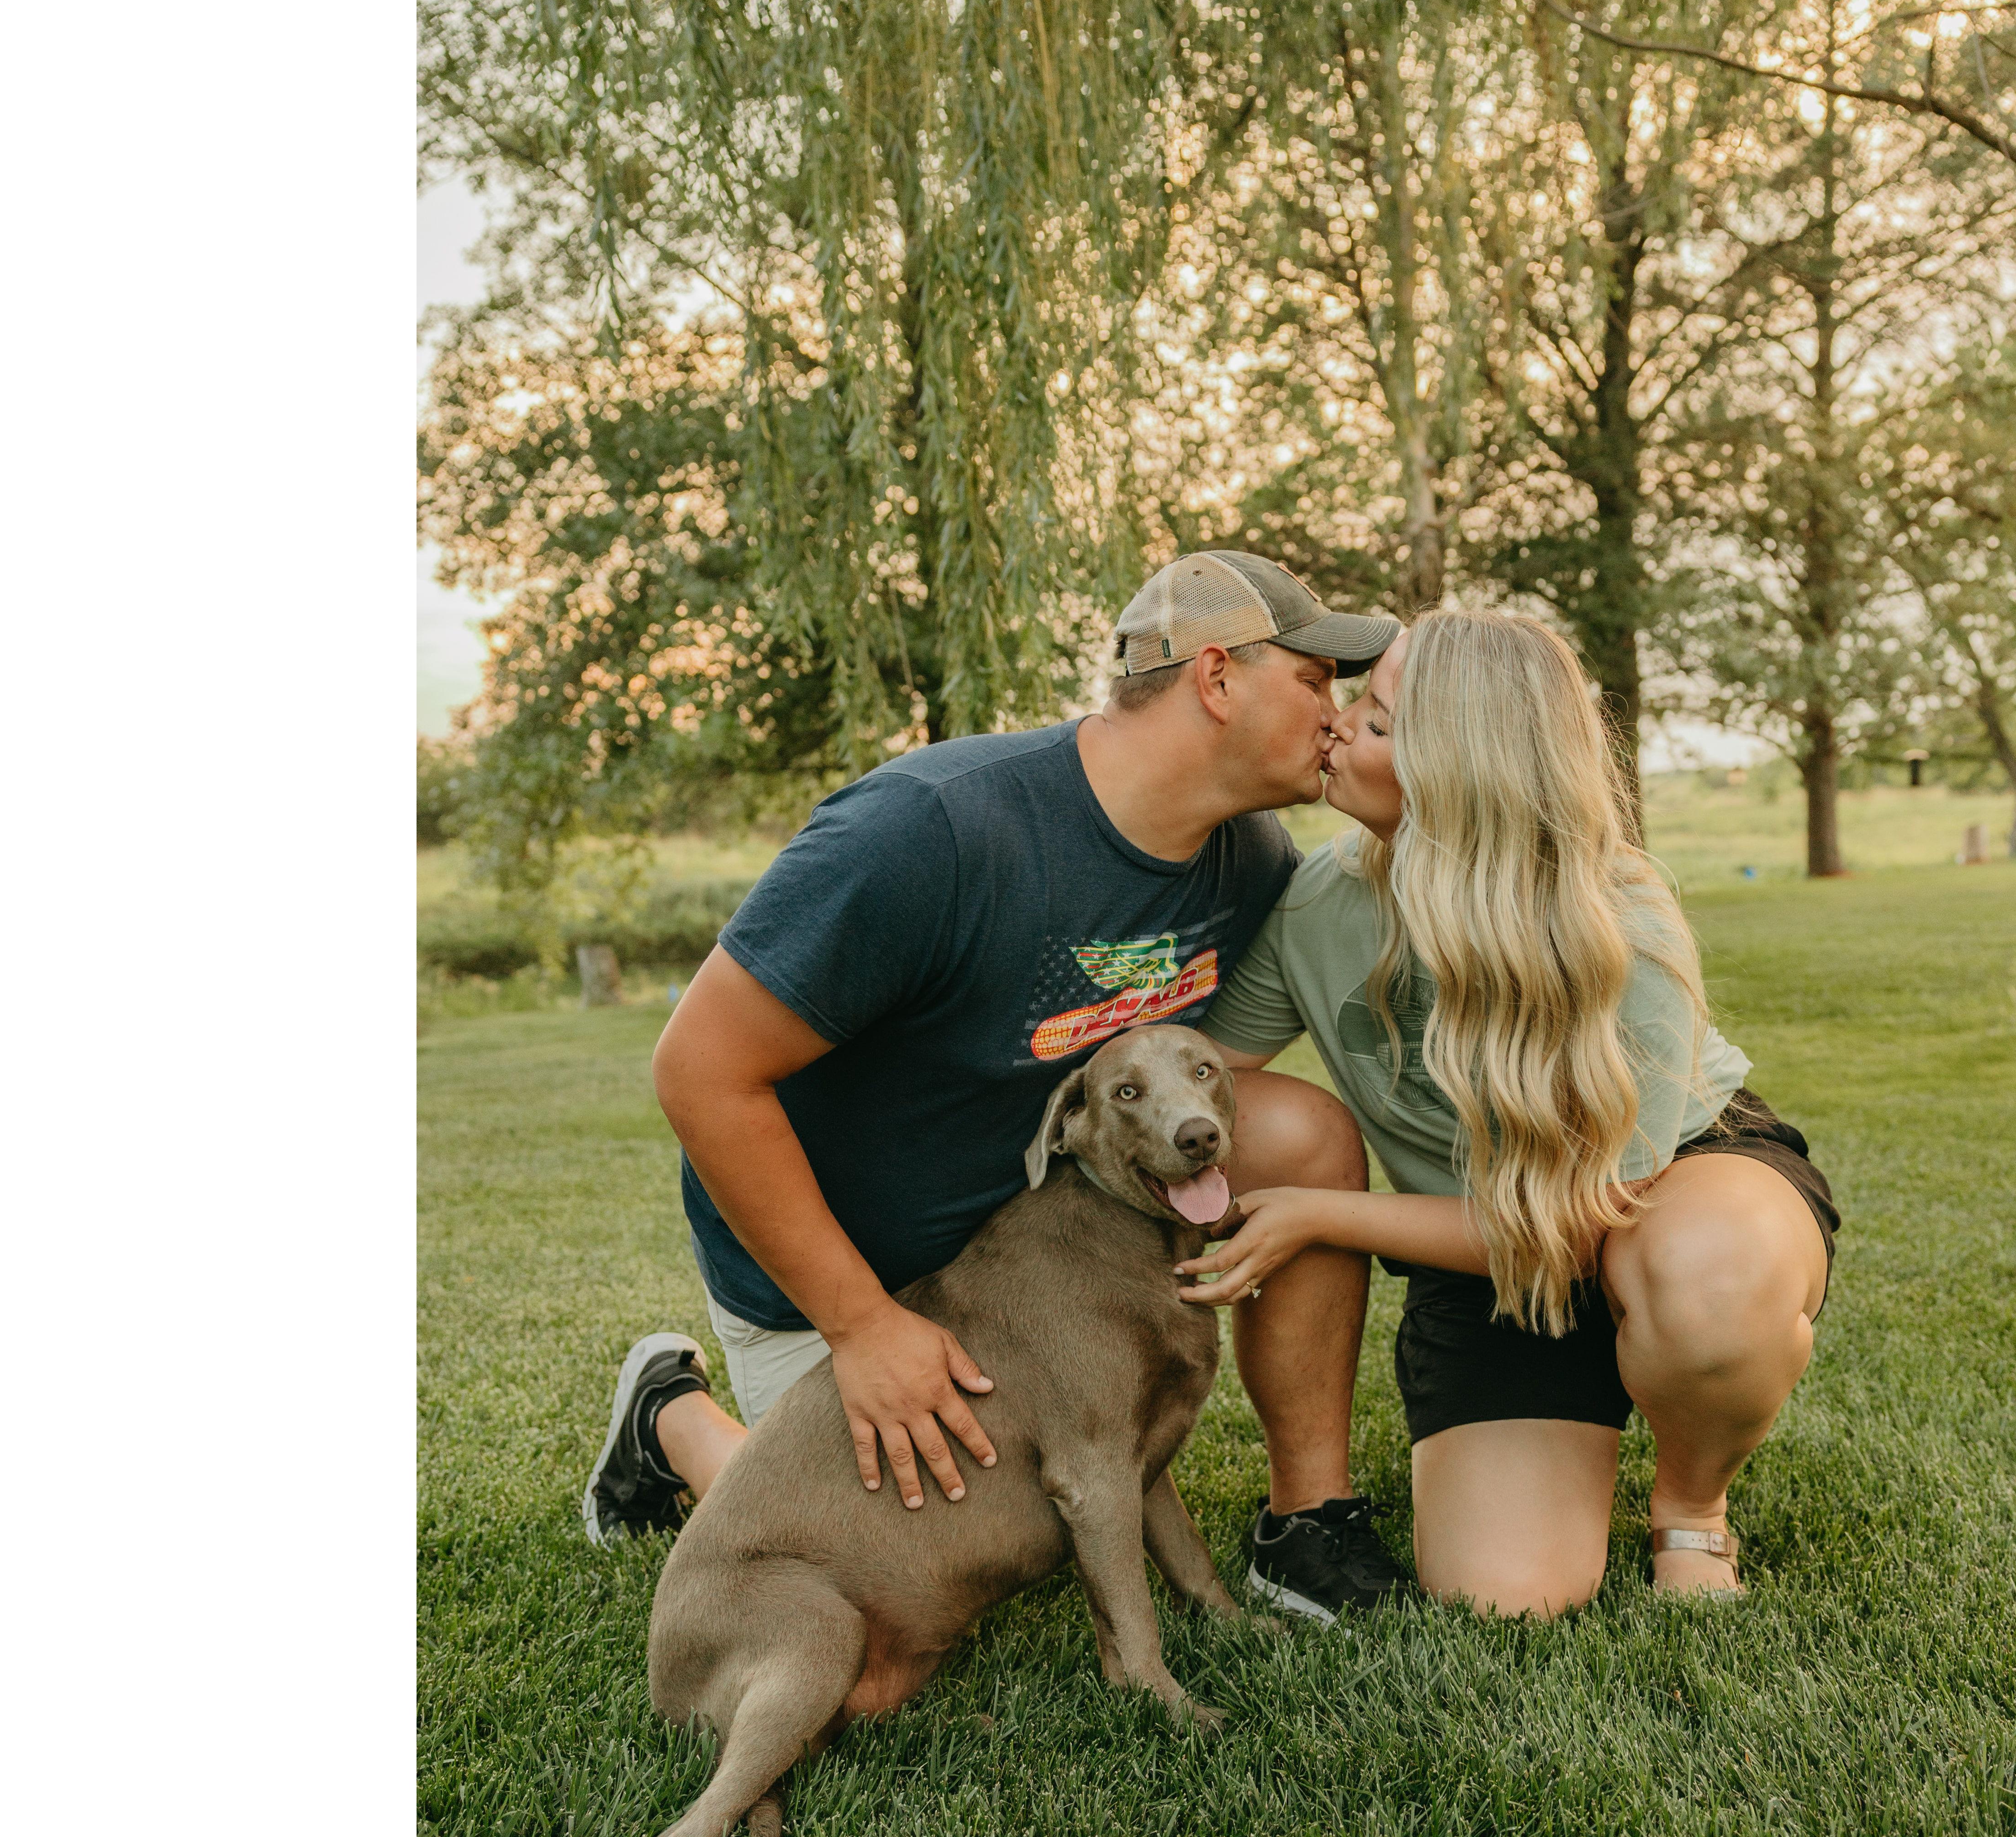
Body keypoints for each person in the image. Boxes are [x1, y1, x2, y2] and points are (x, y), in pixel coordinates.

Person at [580, 550, 1417, 1622]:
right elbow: (699, 1072)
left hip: (1037, 1257)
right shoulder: (930, 829)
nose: (1338, 716)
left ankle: (1306, 1524)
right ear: (1217, 678)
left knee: (1300, 1133)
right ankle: (673, 1420)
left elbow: (1203, 1074)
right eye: (1314, 681)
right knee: (909, 1572)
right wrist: (863, 1329)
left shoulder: (1250, 859)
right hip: (849, 1277)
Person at [1186, 609, 1840, 1617]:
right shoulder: (1315, 906)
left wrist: (1322, 1215)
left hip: (1667, 1188)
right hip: (1487, 1249)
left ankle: (1691, 1506)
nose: (1336, 726)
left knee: (1707, 1279)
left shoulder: (1616, 918)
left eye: (1377, 721)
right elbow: (1207, 1078)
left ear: (1458, 772)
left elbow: (1582, 1221)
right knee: (1504, 1593)